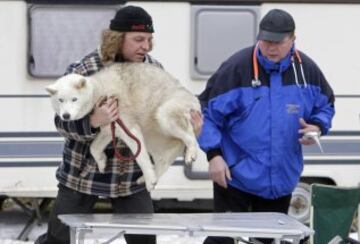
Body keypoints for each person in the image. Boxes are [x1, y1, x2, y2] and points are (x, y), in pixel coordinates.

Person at [36, 5, 202, 244]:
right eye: (138, 39)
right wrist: (94, 121)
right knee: (58, 240)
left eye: (149, 39)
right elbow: (61, 125)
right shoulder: (84, 70)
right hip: (83, 177)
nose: (145, 46)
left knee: (144, 242)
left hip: (130, 180)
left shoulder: (153, 70)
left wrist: (187, 128)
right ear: (116, 39)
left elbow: (160, 119)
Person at [197, 9, 335, 244]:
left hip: (281, 180)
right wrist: (214, 155)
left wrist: (317, 127)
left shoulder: (307, 70)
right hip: (234, 177)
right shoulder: (236, 67)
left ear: (292, 39)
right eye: (265, 40)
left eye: (277, 42)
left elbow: (326, 105)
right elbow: (205, 113)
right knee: (222, 240)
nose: (270, 47)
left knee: (268, 241)